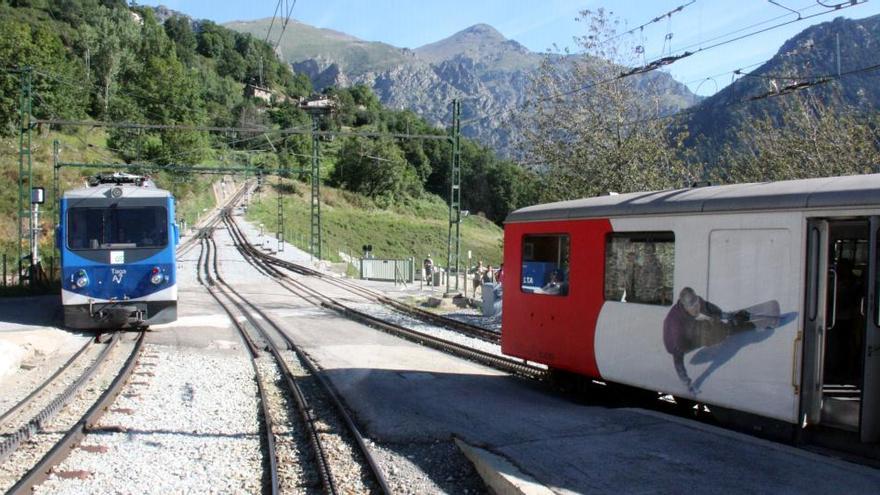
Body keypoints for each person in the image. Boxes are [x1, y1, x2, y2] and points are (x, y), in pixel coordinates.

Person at [663, 287, 754, 393]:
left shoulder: (698, 303)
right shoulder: (676, 327)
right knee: (714, 334)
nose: (696, 308)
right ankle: (732, 328)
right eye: (692, 307)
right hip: (680, 343)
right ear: (685, 307)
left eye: (697, 304)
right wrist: (688, 384)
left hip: (690, 325)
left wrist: (729, 315)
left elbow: (710, 309)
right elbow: (678, 363)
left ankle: (731, 324)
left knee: (709, 319)